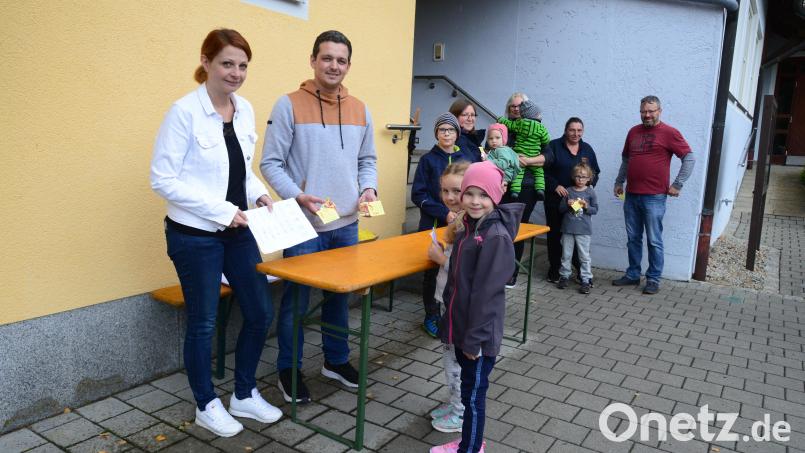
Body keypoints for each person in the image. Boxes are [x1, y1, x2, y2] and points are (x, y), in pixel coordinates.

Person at [150, 29, 281, 437]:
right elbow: (162, 179)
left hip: (238, 229)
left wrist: (259, 196)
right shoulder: (183, 112)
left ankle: (243, 394)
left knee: (260, 312)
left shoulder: (244, 111)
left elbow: (242, 169)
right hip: (195, 236)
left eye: (243, 65)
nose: (236, 73)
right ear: (206, 62)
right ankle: (206, 404)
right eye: (227, 63)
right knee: (204, 323)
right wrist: (223, 211)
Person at [260, 30, 378, 403]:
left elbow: (367, 160)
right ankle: (289, 369)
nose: (334, 66)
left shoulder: (360, 108)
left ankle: (336, 360)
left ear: (348, 65)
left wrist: (369, 188)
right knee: (296, 300)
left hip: (346, 224)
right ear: (313, 60)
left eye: (341, 60)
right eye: (327, 58)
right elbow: (270, 163)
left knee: (339, 299)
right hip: (303, 226)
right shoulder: (288, 104)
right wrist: (297, 195)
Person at [431, 162, 524, 453]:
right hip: (464, 329)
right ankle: (468, 441)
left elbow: (487, 297)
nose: (474, 201)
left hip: (478, 337)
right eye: (469, 193)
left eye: (483, 195)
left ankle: (470, 449)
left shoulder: (494, 237)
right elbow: (460, 285)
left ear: (496, 196)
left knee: (473, 397)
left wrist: (473, 340)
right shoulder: (469, 228)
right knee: (470, 392)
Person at [612, 95, 695, 295]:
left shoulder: (669, 133)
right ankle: (633, 275)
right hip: (631, 195)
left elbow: (689, 158)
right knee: (633, 238)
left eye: (651, 111)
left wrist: (678, 184)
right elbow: (626, 159)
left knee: (654, 240)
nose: (647, 115)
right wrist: (618, 181)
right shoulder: (633, 132)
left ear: (659, 111)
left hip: (654, 197)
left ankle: (653, 279)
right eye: (643, 111)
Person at [411, 113, 476, 337]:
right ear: (436, 133)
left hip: (461, 227)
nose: (446, 134)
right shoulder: (428, 160)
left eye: (450, 130)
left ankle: (452, 312)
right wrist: (445, 213)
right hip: (433, 226)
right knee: (432, 273)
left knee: (456, 268)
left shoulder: (467, 157)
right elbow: (417, 195)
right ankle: (431, 315)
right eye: (442, 130)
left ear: (457, 133)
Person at [426, 162, 470, 434]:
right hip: (449, 300)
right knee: (449, 358)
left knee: (455, 362)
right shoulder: (458, 220)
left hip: (458, 304)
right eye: (444, 190)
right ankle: (455, 402)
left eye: (457, 190)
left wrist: (440, 257)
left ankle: (460, 412)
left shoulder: (468, 224)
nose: (450, 197)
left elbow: (464, 272)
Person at [497, 100, 552, 287]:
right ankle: (497, 269)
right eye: (513, 105)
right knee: (501, 227)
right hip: (501, 184)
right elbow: (492, 150)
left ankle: (512, 272)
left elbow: (549, 156)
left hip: (526, 187)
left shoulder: (531, 126)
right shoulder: (503, 128)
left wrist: (527, 160)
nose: (516, 108)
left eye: (520, 106)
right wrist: (514, 158)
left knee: (518, 227)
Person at [543, 117, 601, 283]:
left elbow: (595, 172)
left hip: (578, 203)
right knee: (555, 235)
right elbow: (541, 171)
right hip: (557, 200)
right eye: (572, 130)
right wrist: (554, 185)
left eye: (579, 130)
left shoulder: (587, 149)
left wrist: (587, 189)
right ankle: (555, 270)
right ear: (565, 130)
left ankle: (579, 270)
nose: (576, 133)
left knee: (577, 234)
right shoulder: (553, 146)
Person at [556, 163, 598, 294]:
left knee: (584, 256)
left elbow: (595, 210)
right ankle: (564, 276)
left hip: (583, 230)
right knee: (566, 254)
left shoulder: (590, 191)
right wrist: (568, 205)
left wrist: (586, 207)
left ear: (589, 178)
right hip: (568, 229)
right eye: (578, 176)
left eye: (584, 177)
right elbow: (561, 209)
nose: (580, 179)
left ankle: (586, 279)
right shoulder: (568, 191)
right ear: (573, 177)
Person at [482, 123, 519, 189]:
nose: (494, 141)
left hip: (504, 177)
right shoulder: (494, 150)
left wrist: (488, 160)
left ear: (503, 138)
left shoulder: (502, 150)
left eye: (497, 138)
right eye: (491, 138)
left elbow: (503, 164)